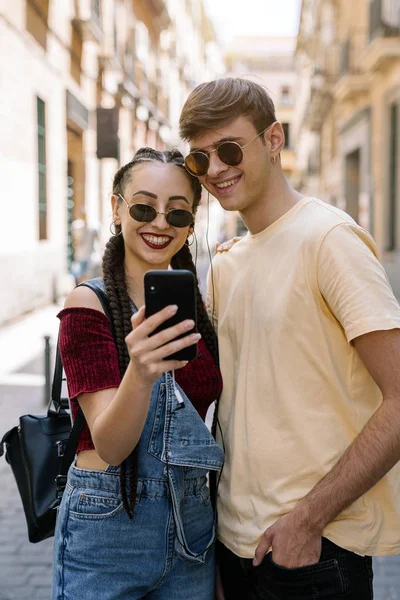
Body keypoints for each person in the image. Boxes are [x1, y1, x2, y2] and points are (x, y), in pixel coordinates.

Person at [179, 77, 400, 600]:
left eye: (229, 149)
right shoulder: (227, 265)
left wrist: (306, 522)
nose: (215, 170)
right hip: (234, 550)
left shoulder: (329, 240)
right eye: (199, 160)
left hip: (315, 552)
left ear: (274, 139)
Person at [51, 148, 224, 600]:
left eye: (178, 212)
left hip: (193, 529)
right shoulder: (87, 307)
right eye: (144, 207)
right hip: (108, 531)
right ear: (116, 209)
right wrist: (142, 373)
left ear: (191, 222)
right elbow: (110, 445)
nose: (160, 223)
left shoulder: (195, 310)